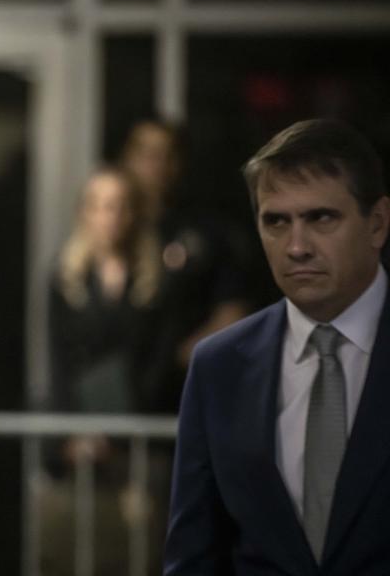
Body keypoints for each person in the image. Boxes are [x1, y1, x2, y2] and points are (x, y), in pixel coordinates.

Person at [165, 119, 390, 573]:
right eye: (276, 222)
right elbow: (194, 554)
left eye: (321, 218)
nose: (296, 246)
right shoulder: (219, 366)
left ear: (378, 223)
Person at [42, 167, 164, 575]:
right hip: (82, 439)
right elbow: (59, 361)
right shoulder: (65, 276)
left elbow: (159, 361)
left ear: (133, 214)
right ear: (85, 213)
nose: (110, 216)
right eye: (100, 206)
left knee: (143, 553)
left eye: (119, 206)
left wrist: (119, 429)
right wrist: (70, 433)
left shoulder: (154, 277)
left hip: (142, 432)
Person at [117, 118, 250, 412]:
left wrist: (175, 361)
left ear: (179, 163)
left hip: (182, 396)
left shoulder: (205, 234)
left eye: (167, 154)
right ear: (126, 158)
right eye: (146, 153)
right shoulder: (111, 231)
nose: (156, 164)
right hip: (114, 402)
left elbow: (232, 313)